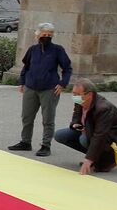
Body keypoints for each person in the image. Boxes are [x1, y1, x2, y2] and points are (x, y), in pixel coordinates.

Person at [11, 24, 73, 157]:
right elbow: (26, 67)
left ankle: (46, 145)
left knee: (48, 119)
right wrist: (22, 82)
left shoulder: (58, 50)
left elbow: (67, 68)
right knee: (27, 117)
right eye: (44, 35)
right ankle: (25, 142)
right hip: (31, 87)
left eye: (49, 35)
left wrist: (62, 83)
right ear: (38, 35)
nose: (47, 37)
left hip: (49, 89)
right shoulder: (33, 49)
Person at [54, 78, 117, 175]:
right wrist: (75, 123)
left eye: (77, 94)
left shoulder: (104, 108)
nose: (74, 97)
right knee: (60, 135)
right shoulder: (80, 100)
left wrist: (88, 160)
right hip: (89, 131)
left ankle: (106, 161)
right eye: (73, 93)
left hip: (112, 141)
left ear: (90, 94)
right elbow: (76, 113)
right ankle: (95, 156)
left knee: (84, 139)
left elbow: (100, 135)